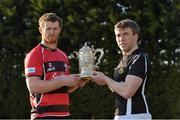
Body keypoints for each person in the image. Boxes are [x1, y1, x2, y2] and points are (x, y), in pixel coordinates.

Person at [24, 13, 85, 119]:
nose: (52, 32)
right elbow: (33, 86)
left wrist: (77, 82)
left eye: (55, 29)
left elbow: (63, 88)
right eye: (48, 29)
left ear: (60, 29)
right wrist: (64, 80)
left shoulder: (63, 55)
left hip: (64, 114)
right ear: (40, 29)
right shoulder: (34, 54)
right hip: (43, 115)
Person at [92, 19, 152, 120]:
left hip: (135, 116)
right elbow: (118, 88)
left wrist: (106, 79)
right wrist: (103, 81)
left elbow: (127, 92)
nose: (121, 39)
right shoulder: (123, 60)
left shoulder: (139, 58)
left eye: (125, 34)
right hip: (121, 115)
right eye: (118, 35)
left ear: (135, 36)